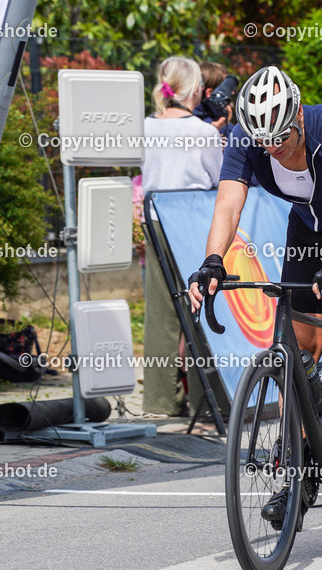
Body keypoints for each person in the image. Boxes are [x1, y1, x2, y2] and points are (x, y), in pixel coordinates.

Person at [188, 65, 322, 524]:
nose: (273, 148)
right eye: (263, 140)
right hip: (307, 230)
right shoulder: (246, 140)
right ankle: (299, 470)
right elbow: (228, 203)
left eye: (281, 137)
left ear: (299, 115)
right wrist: (212, 262)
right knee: (297, 354)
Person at [141, 56, 224, 416]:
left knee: (160, 313)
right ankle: (207, 400)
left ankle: (161, 399)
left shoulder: (144, 126)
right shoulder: (204, 133)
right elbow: (220, 181)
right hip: (193, 221)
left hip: (155, 220)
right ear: (196, 90)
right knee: (201, 304)